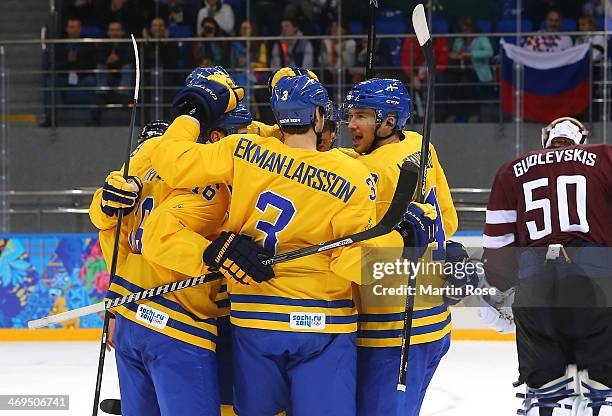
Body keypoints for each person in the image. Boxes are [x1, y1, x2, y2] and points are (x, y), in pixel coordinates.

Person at [149, 74, 436, 415]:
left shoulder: (242, 150)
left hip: (255, 319)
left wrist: (190, 114)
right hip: (322, 323)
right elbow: (350, 262)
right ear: (318, 117)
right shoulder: (353, 175)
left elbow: (170, 161)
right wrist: (399, 240)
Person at [88, 113, 234, 415]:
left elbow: (115, 246)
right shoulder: (197, 181)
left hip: (133, 313)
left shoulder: (132, 186)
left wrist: (115, 308)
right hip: (180, 318)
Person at [342, 78, 458, 416]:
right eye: (351, 114)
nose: (351, 124)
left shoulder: (366, 171)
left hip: (391, 328)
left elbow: (353, 254)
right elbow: (447, 221)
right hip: (434, 321)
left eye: (361, 115)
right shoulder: (420, 145)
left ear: (389, 122)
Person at [482, 117, 612, 415]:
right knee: (602, 385)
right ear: (582, 138)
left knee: (545, 388)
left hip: (535, 287)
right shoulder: (605, 157)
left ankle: (548, 399)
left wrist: (500, 289)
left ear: (546, 139)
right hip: (597, 286)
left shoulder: (511, 170)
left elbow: (498, 242)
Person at [41, 16, 97, 127]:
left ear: (81, 29)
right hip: (64, 77)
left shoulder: (88, 44)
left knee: (92, 81)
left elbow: (91, 64)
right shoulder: (59, 45)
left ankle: (95, 119)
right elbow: (54, 65)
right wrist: (69, 61)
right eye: (72, 27)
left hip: (82, 77)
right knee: (51, 80)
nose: (75, 29)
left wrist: (77, 62)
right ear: (67, 29)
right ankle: (50, 118)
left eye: (77, 27)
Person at [448, 16, 494, 122]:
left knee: (471, 86)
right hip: (461, 71)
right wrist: (455, 55)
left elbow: (489, 52)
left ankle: (475, 115)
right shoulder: (459, 40)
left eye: (467, 29)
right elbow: (455, 53)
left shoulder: (481, 38)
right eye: (463, 29)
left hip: (478, 72)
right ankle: (457, 115)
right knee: (454, 84)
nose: (465, 31)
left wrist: (471, 54)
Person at [93, 20, 133, 125]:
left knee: (127, 67)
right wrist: (107, 61)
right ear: (108, 32)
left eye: (117, 30)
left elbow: (131, 59)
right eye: (112, 30)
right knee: (101, 66)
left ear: (122, 32)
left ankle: (124, 95)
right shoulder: (103, 44)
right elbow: (98, 59)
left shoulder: (128, 44)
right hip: (108, 76)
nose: (115, 33)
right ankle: (102, 93)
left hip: (123, 76)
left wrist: (117, 60)